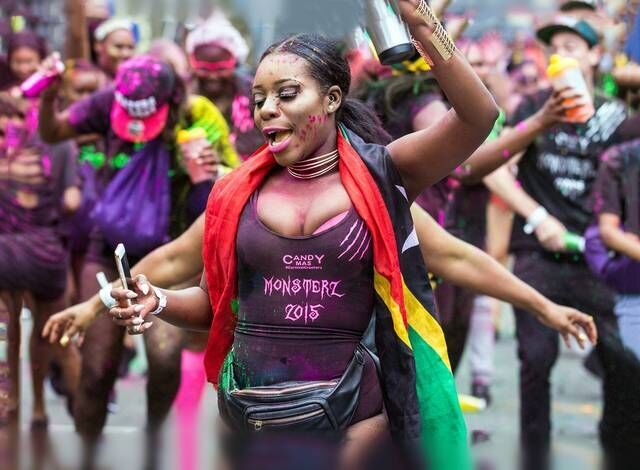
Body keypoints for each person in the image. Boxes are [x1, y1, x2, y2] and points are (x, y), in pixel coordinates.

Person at [102, 0, 497, 466]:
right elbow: (213, 305)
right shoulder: (234, 193)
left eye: (286, 94)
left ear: (331, 99)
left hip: (352, 421)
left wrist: (422, 24)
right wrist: (156, 299)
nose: (267, 110)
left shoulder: (384, 173)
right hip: (252, 418)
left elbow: (478, 117)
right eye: (259, 99)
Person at [38, 54, 236, 465]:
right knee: (97, 369)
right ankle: (87, 457)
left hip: (173, 249)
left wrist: (205, 174)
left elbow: (228, 196)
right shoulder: (108, 101)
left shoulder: (198, 117)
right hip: (109, 250)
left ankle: (152, 447)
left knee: (163, 361)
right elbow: (54, 130)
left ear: (172, 99)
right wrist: (48, 95)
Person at [481, 16, 640, 470]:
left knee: (623, 362)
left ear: (594, 56)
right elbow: (493, 168)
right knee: (535, 360)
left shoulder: (616, 116)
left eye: (573, 46)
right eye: (556, 48)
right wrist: (536, 215)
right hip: (539, 256)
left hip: (600, 262)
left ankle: (619, 453)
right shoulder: (534, 107)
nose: (562, 55)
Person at [185, 11, 264, 159]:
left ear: (234, 63)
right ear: (192, 64)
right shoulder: (181, 94)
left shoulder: (253, 94)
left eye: (221, 68)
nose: (213, 76)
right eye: (204, 68)